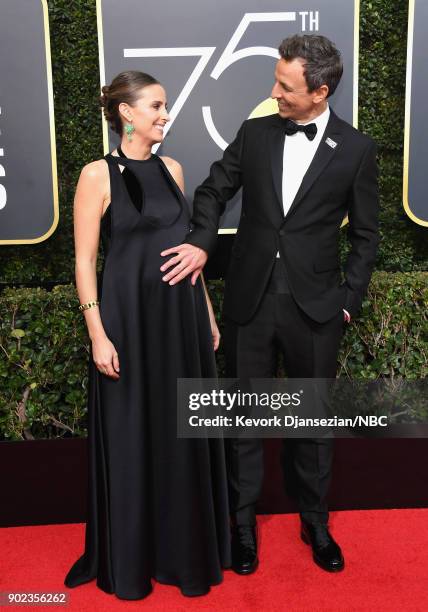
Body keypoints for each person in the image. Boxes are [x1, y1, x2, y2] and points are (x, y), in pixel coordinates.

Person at [160, 35, 380, 575]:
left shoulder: (356, 149)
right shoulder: (256, 133)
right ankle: (241, 524)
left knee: (313, 424)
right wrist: (202, 240)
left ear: (320, 91)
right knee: (243, 420)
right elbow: (213, 190)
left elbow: (367, 237)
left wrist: (348, 300)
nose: (274, 92)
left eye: (285, 85)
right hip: (250, 299)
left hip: (316, 307)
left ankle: (316, 521)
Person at [64, 70, 231, 600]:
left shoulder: (173, 169)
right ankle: (133, 557)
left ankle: (182, 553)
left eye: (165, 106)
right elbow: (85, 261)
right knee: (134, 435)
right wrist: (97, 332)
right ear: (126, 113)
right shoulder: (96, 176)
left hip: (179, 319)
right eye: (156, 106)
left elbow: (186, 252)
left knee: (180, 434)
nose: (164, 114)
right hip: (128, 323)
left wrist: (204, 311)